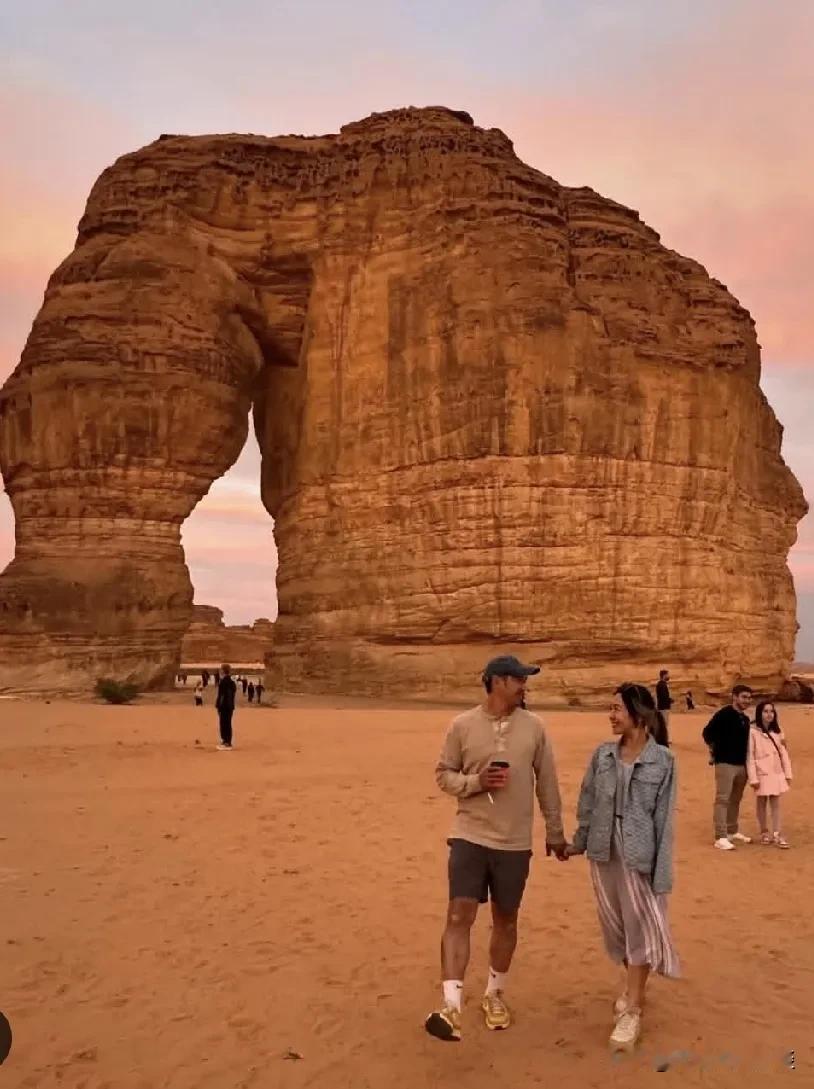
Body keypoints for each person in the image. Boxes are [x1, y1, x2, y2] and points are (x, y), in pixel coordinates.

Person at [424, 655, 568, 1043]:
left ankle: (494, 995)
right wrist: (477, 783)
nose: (524, 686)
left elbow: (547, 783)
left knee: (506, 920)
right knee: (459, 914)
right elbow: (444, 774)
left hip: (514, 842)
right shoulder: (462, 725)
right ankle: (451, 1007)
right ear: (497, 681)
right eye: (519, 679)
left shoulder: (535, 727)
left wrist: (555, 831)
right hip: (469, 835)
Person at [567, 683, 679, 1053]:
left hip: (639, 856)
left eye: (617, 708)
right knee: (618, 926)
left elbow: (664, 821)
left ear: (639, 714)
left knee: (641, 927)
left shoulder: (664, 761)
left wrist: (661, 873)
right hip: (604, 851)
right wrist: (579, 842)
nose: (611, 715)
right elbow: (587, 802)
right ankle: (634, 990)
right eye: (610, 708)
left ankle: (633, 1008)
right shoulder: (602, 755)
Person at [702, 684, 753, 850]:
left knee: (735, 799)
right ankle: (721, 836)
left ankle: (732, 830)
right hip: (725, 764)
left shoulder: (745, 719)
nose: (747, 700)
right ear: (735, 697)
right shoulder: (724, 714)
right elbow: (707, 733)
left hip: (741, 765)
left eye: (749, 698)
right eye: (744, 697)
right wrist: (715, 751)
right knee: (722, 800)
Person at [747, 701, 793, 848]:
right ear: (760, 713)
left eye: (771, 711)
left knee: (775, 803)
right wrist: (753, 778)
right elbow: (750, 755)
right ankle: (764, 832)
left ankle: (777, 833)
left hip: (776, 771)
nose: (769, 714)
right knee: (761, 802)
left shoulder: (778, 731)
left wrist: (787, 773)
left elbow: (783, 754)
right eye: (765, 711)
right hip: (762, 772)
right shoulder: (753, 732)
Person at [215, 664, 237, 750]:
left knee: (224, 724)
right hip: (230, 706)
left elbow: (222, 696)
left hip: (225, 706)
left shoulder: (224, 682)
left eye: (221, 669)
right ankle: (226, 741)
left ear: (223, 671)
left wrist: (219, 706)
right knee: (227, 724)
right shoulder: (232, 682)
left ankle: (227, 742)